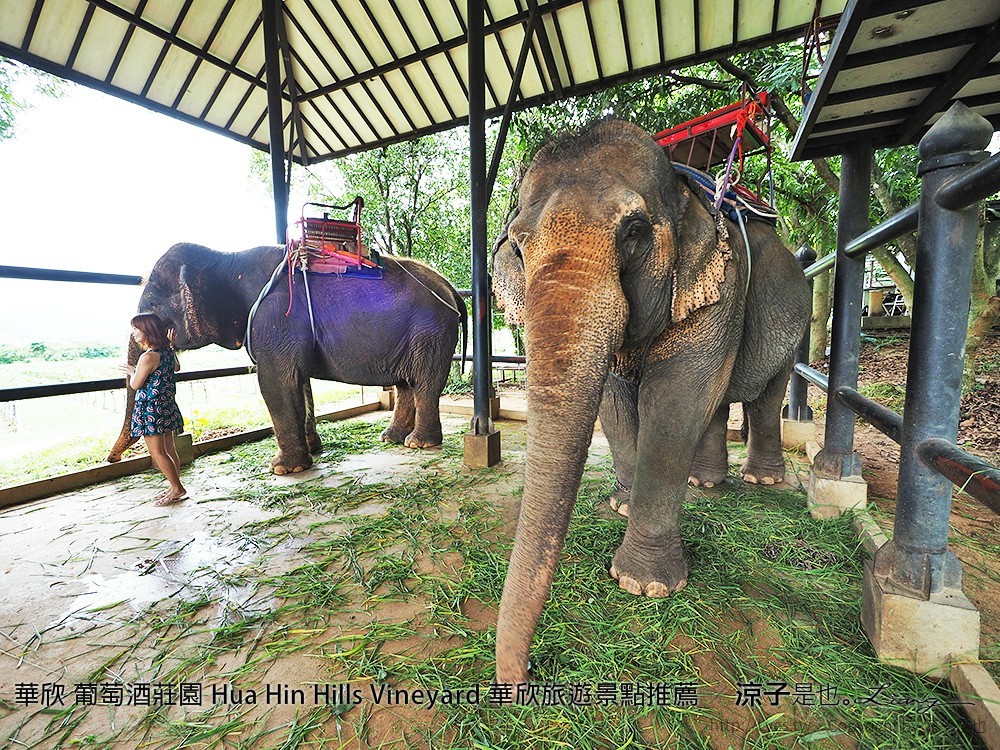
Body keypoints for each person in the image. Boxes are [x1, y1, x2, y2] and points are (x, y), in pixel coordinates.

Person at [121, 312, 188, 506]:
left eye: (136, 329)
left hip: (151, 409)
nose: (133, 333)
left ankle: (177, 488)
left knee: (157, 452)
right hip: (166, 406)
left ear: (147, 331)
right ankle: (174, 485)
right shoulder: (167, 353)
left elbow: (136, 384)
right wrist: (171, 345)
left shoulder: (148, 357)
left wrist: (132, 371)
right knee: (169, 449)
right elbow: (176, 368)